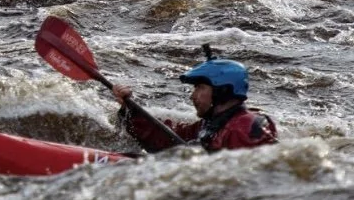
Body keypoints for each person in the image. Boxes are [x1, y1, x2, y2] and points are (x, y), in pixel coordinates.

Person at [112, 57, 278, 153]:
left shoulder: (245, 127)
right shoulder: (209, 126)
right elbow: (166, 139)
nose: (193, 96)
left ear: (221, 91)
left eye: (199, 88)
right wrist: (129, 109)